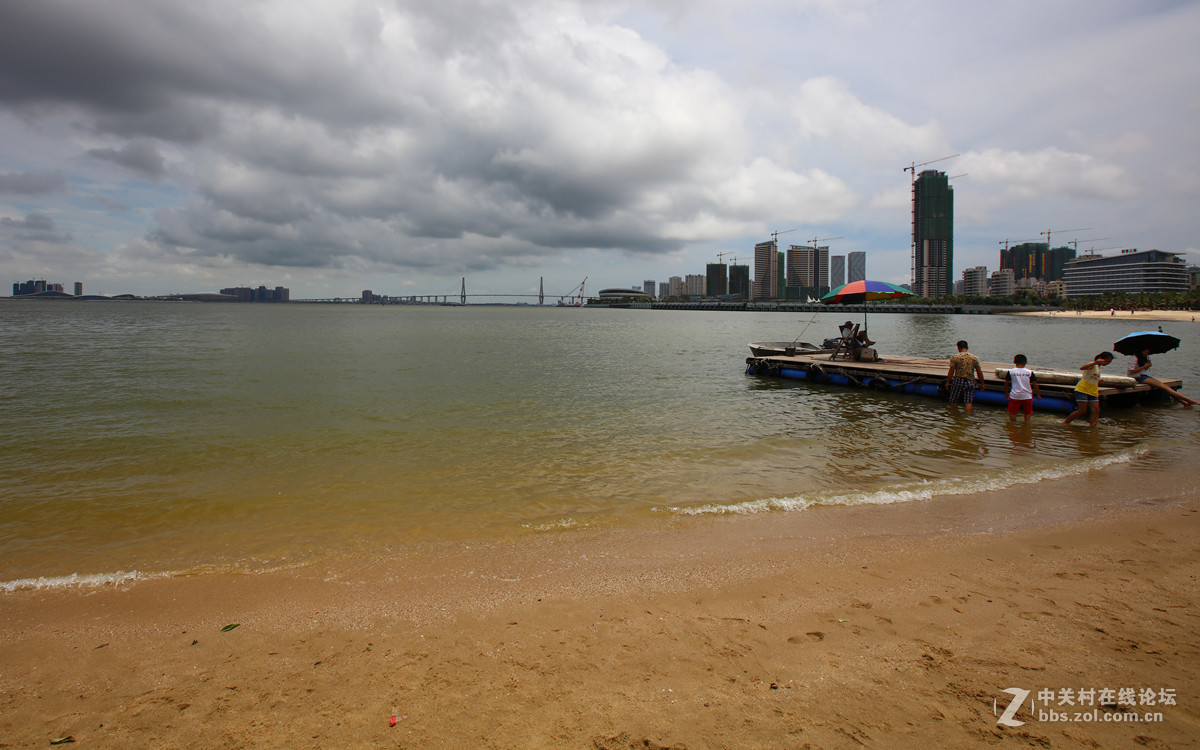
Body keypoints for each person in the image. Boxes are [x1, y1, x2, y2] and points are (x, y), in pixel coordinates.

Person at [1126, 348, 1200, 407]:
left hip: (1143, 376)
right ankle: (1190, 401)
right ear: (1141, 351)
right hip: (1137, 378)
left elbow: (1142, 370)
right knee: (1164, 387)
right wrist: (1145, 366)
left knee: (1164, 387)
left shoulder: (1142, 358)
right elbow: (1131, 371)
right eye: (1146, 352)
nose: (1147, 353)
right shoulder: (1134, 358)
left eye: (1148, 352)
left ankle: (1183, 402)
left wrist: (1147, 366)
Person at [1063, 352, 1115, 426]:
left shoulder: (1098, 368)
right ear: (1101, 359)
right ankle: (1066, 422)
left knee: (1096, 410)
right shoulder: (1093, 365)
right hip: (1083, 389)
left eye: (1109, 362)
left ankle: (1093, 425)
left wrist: (1098, 380)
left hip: (1093, 390)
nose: (1107, 363)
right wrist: (1094, 363)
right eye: (1107, 361)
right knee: (1082, 410)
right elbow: (1082, 368)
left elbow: (1092, 376)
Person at [945, 340, 986, 415]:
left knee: (954, 400)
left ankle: (955, 417)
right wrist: (982, 383)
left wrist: (948, 382)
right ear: (967, 347)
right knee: (968, 402)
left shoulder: (955, 357)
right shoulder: (974, 358)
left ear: (958, 347)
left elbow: (951, 371)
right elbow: (979, 372)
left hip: (958, 380)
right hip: (970, 381)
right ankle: (967, 418)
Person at [1005, 354, 1041, 425]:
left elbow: (1006, 383)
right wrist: (1038, 394)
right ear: (1026, 362)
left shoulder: (1011, 372)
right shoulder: (1029, 372)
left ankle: (1013, 426)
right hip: (1027, 395)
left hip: (1015, 395)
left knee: (1013, 412)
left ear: (1014, 362)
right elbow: (1035, 384)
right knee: (1027, 413)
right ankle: (1027, 426)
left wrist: (1006, 392)